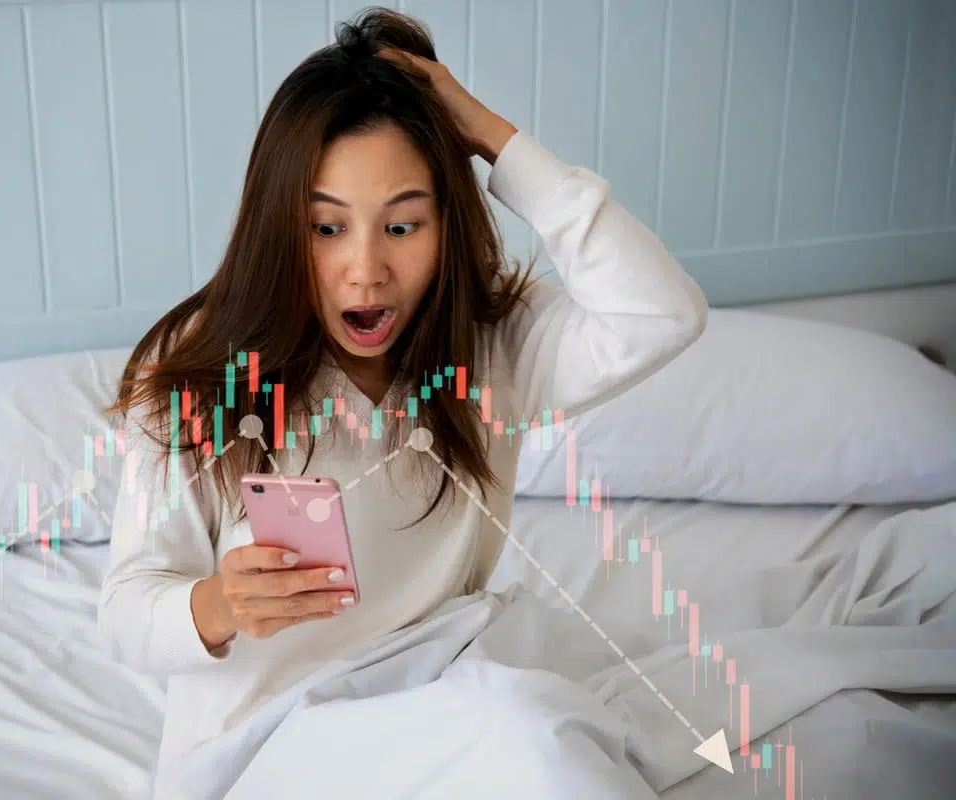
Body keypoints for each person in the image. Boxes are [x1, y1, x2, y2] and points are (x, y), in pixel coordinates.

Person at [98, 7, 707, 775]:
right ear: (278, 227)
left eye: (402, 225)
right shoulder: (200, 374)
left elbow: (664, 314)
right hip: (269, 742)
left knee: (533, 733)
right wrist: (217, 604)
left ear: (447, 224)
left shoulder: (491, 345)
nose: (366, 270)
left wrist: (489, 134)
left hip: (442, 687)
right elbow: (122, 614)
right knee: (530, 734)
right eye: (326, 229)